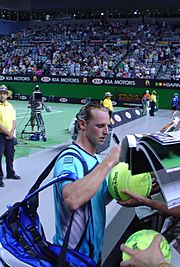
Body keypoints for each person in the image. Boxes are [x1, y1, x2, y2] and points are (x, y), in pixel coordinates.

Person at [53, 101, 121, 266]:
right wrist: (109, 162)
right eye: (100, 126)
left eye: (108, 126)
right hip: (72, 257)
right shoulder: (69, 158)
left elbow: (99, 199)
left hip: (92, 255)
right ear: (83, 124)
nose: (106, 132)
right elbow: (72, 199)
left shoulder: (96, 159)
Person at [0, 85, 21, 187]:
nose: (2, 95)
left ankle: (10, 173)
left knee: (10, 155)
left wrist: (12, 132)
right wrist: (8, 133)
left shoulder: (10, 106)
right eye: (1, 93)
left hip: (10, 135)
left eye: (4, 93)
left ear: (7, 95)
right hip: (1, 135)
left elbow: (13, 121)